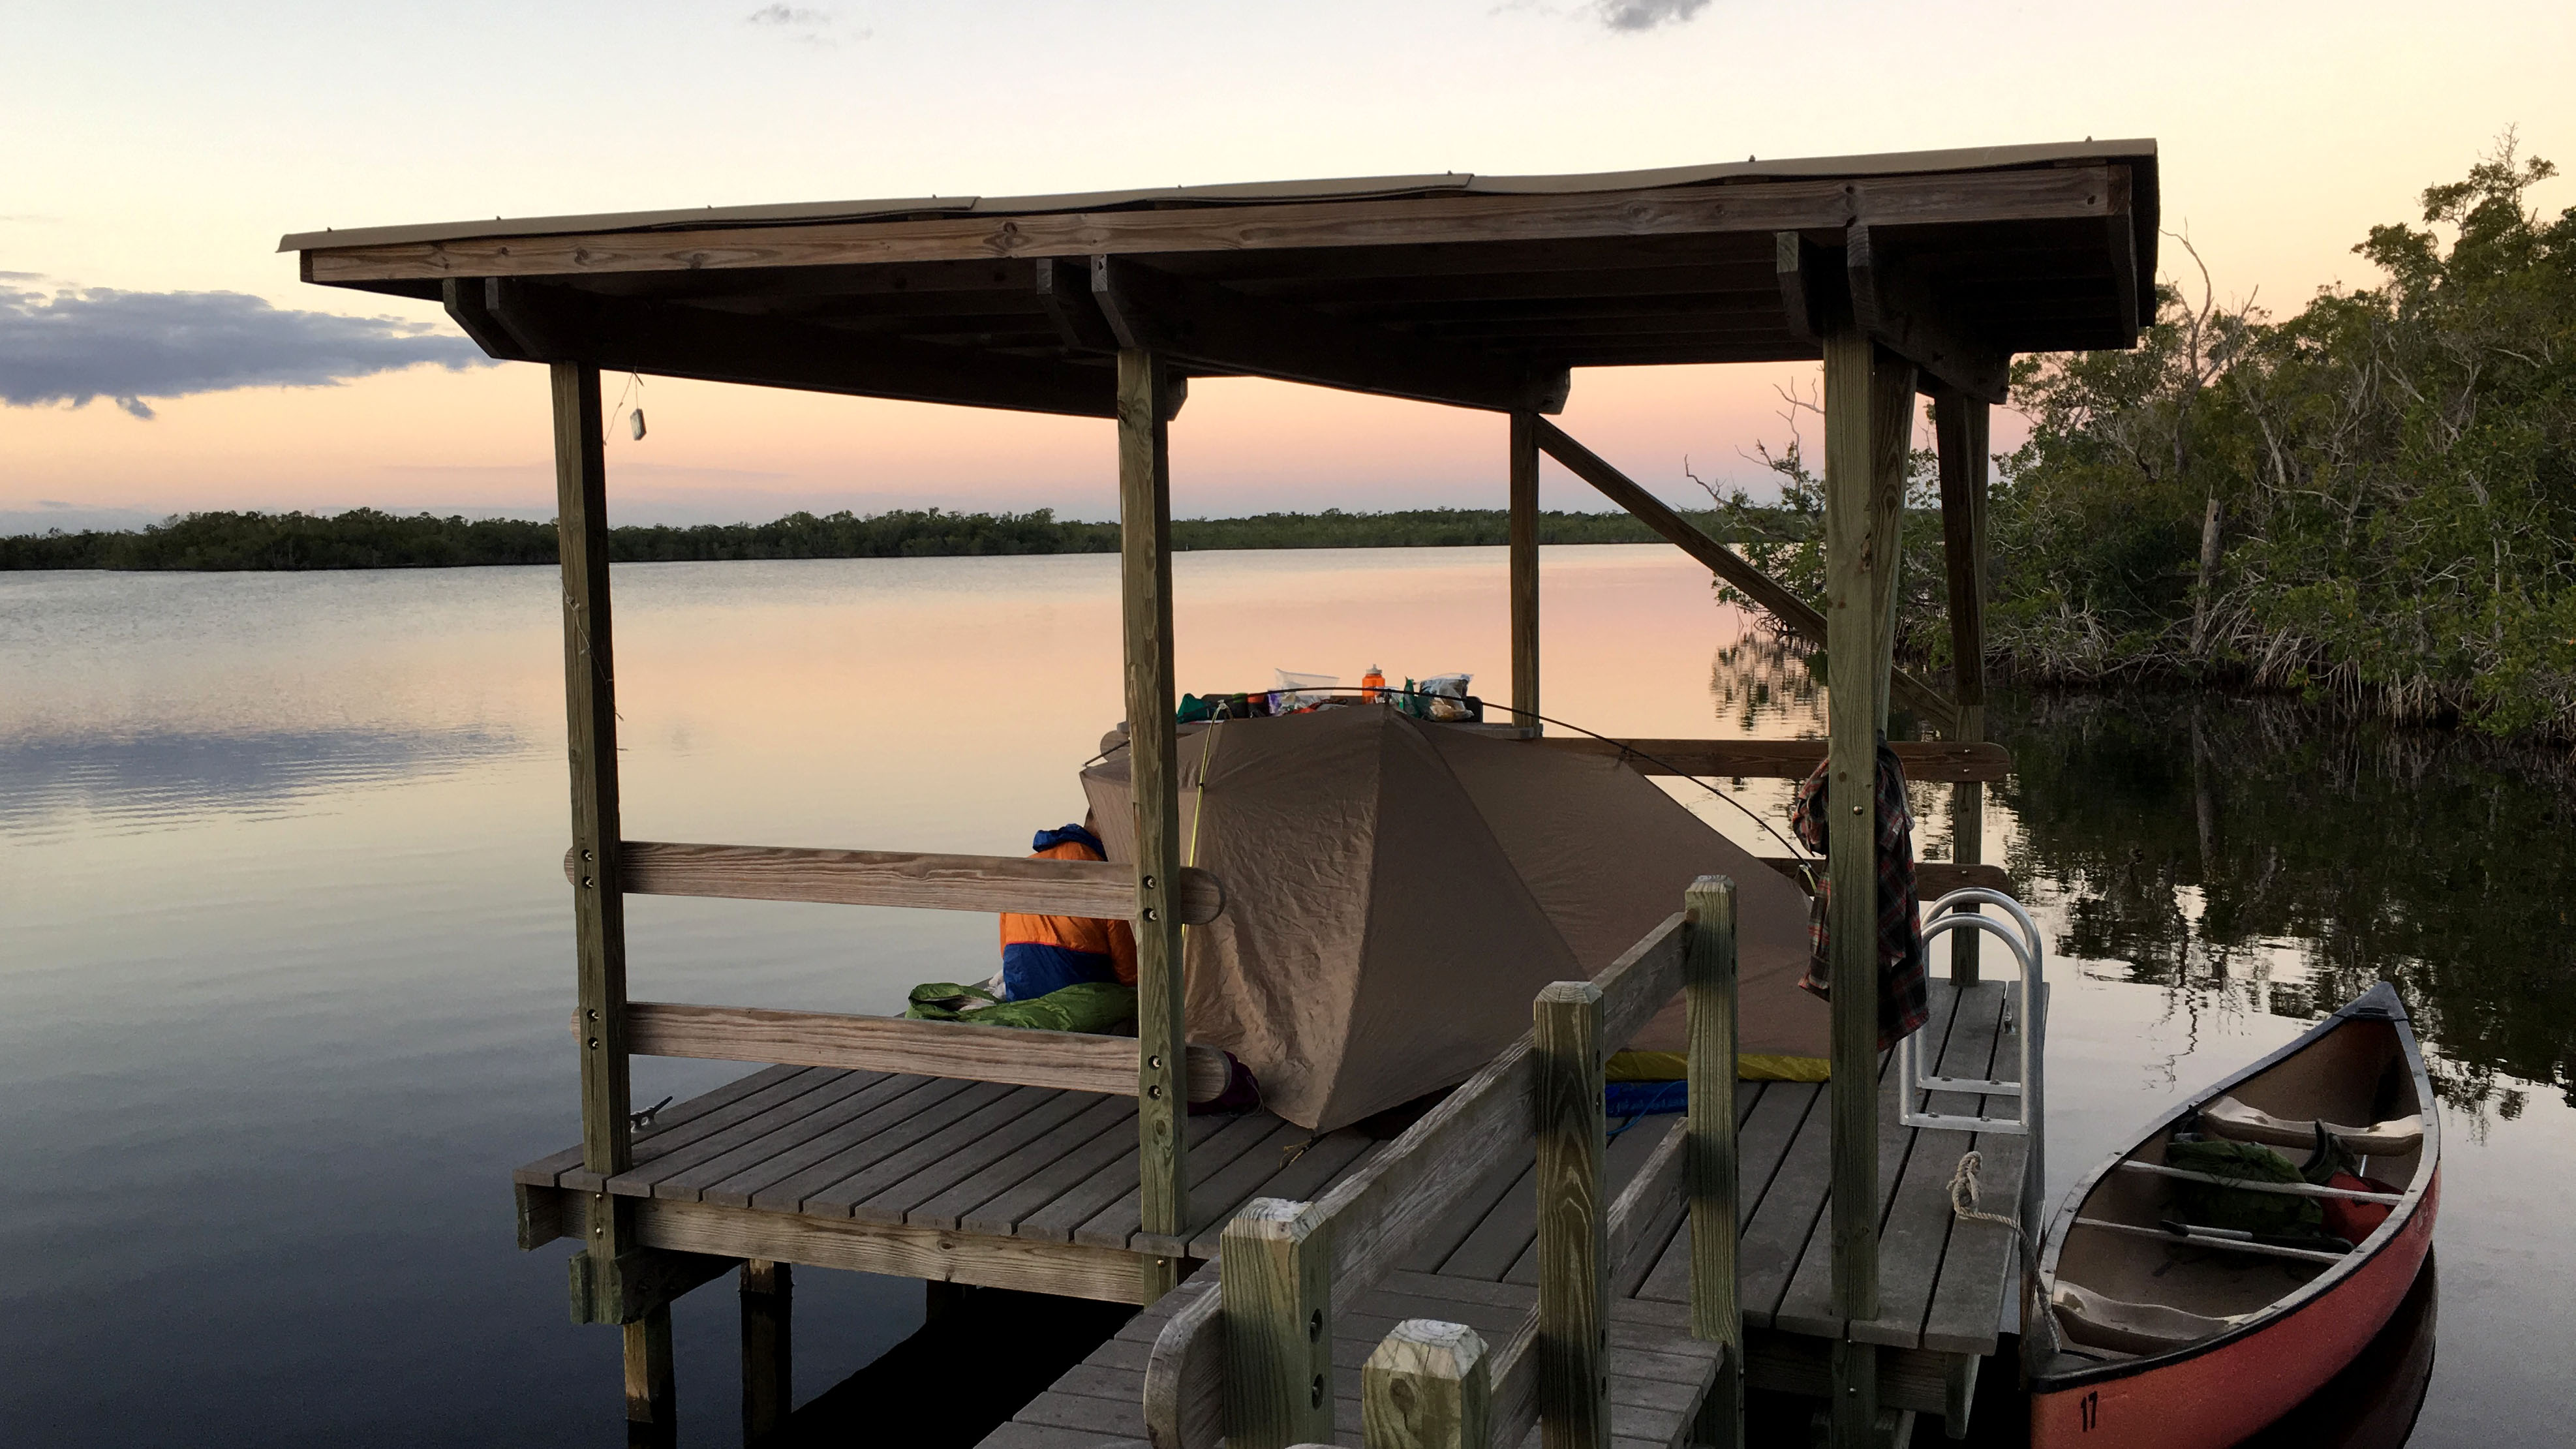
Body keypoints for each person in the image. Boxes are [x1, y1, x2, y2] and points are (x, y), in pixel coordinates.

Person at [998, 812, 1137, 1001]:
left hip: (1022, 998)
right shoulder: (1108, 876)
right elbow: (1129, 974)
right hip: (1081, 1003)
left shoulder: (1024, 866)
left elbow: (1005, 950)